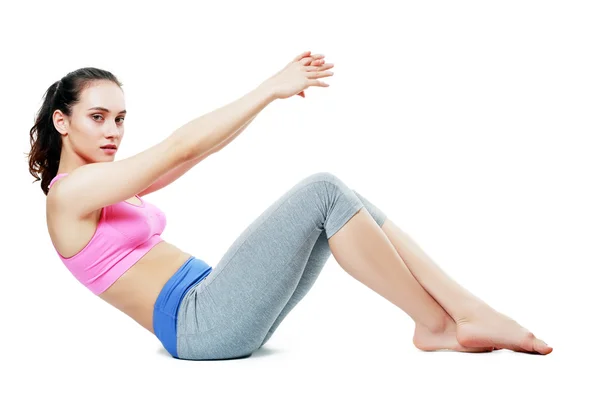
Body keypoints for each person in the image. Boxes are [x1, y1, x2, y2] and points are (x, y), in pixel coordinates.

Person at [28, 50, 552, 360]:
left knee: (344, 198)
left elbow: (196, 151)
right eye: (98, 117)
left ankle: (460, 312)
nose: (114, 131)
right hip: (200, 324)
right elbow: (178, 146)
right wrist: (269, 89)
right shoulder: (71, 194)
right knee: (323, 192)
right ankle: (438, 326)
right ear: (61, 121)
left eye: (120, 119)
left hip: (214, 302)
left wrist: (264, 104)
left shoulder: (105, 185)